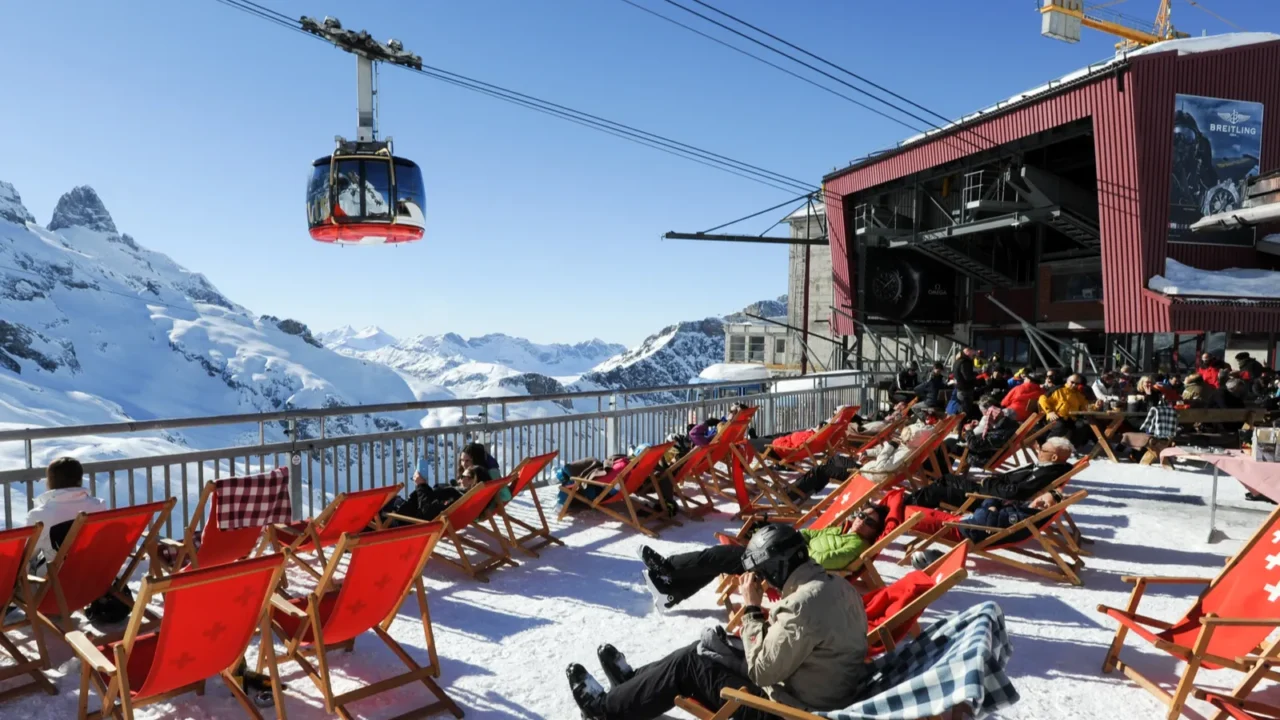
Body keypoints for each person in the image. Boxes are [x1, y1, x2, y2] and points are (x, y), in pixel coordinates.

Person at [567, 524, 867, 720]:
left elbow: (762, 672)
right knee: (705, 648)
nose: (762, 579)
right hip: (815, 691)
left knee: (690, 664)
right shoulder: (839, 587)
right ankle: (632, 683)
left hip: (785, 711)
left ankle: (604, 711)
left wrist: (751, 608)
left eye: (763, 572)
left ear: (778, 568)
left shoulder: (802, 605)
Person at [638, 510, 885, 611]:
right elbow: (807, 533)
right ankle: (672, 593)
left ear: (874, 532)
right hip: (783, 558)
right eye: (862, 514)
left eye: (870, 522)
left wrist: (795, 547)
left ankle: (669, 569)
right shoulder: (840, 530)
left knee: (723, 556)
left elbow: (823, 560)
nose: (861, 520)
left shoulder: (854, 545)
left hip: (788, 572)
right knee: (722, 561)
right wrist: (796, 543)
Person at [874, 488, 1065, 569]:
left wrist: (990, 508)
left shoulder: (1024, 516)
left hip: (962, 531)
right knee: (907, 509)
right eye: (1042, 499)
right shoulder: (1024, 507)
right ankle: (871, 514)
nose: (1040, 504)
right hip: (962, 521)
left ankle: (870, 525)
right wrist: (991, 507)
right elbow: (993, 501)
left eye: (1045, 507)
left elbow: (986, 520)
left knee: (905, 517)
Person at [895, 437, 1074, 510]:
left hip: (990, 501)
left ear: (1054, 456)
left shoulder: (1047, 472)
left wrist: (989, 483)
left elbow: (1014, 492)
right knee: (947, 479)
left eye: (1043, 450)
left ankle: (902, 508)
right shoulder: (1049, 467)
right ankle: (918, 506)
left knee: (936, 492)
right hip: (989, 491)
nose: (1039, 451)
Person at [27, 457, 107, 572]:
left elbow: (27, 555)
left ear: (49, 482)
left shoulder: (40, 515)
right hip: (95, 575)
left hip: (55, 582)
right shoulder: (99, 506)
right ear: (79, 481)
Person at [1039, 373, 1092, 448]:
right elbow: (1042, 399)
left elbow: (1085, 407)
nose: (1074, 385)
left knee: (1083, 426)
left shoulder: (1079, 394)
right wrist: (1050, 412)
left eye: (1077, 384)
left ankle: (1071, 447)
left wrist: (1096, 406)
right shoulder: (1058, 389)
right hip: (1056, 416)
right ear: (1067, 381)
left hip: (1071, 418)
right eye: (1072, 382)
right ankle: (1047, 447)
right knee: (1060, 426)